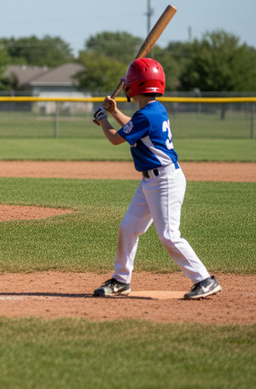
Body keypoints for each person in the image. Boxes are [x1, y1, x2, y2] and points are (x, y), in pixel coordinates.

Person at [91, 57, 221, 300]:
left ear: (136, 87)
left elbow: (116, 138)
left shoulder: (146, 115)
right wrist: (115, 111)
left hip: (165, 181)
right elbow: (133, 128)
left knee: (169, 235)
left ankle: (204, 279)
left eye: (129, 82)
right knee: (128, 228)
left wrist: (102, 119)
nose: (126, 85)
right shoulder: (152, 110)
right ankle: (121, 280)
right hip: (151, 181)